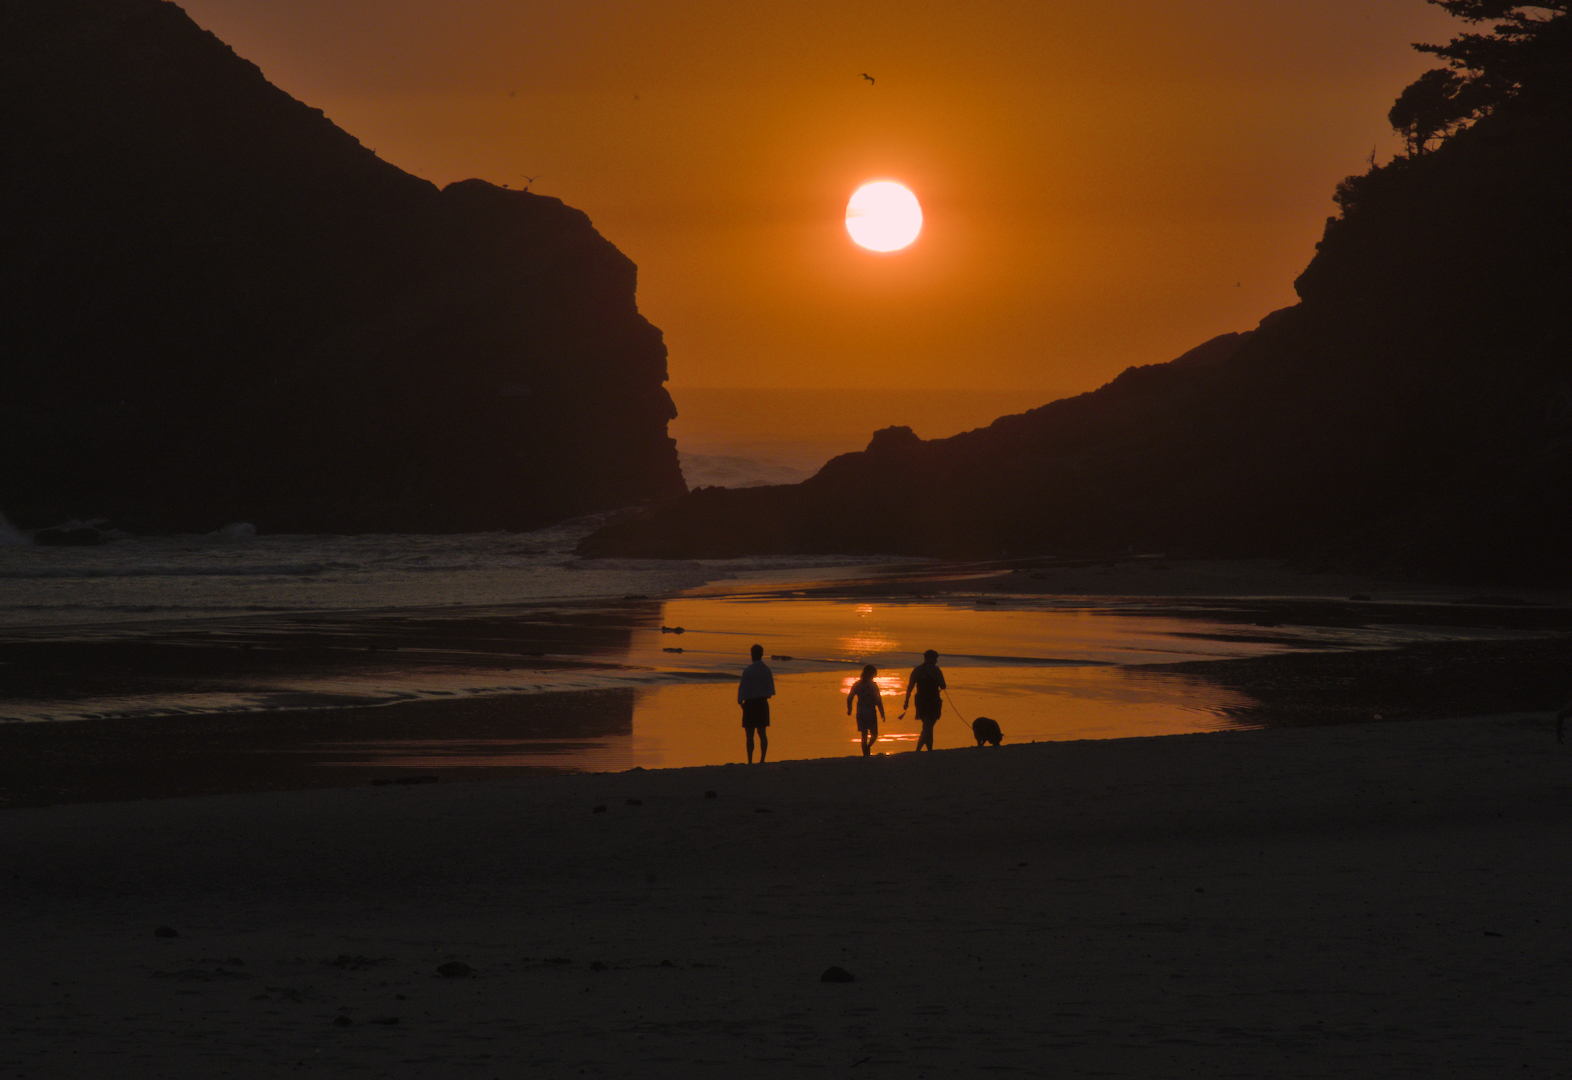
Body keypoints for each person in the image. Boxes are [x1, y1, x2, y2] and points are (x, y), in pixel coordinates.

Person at [902, 649, 946, 752]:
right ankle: (918, 750)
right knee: (928, 726)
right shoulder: (936, 670)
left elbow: (910, 687)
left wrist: (906, 701)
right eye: (935, 659)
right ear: (930, 658)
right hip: (933, 700)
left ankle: (929, 750)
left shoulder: (917, 670)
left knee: (927, 725)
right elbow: (943, 685)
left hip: (920, 700)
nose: (936, 661)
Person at [737, 643, 775, 763]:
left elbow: (742, 690)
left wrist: (742, 703)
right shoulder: (766, 671)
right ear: (762, 655)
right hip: (762, 703)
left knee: (750, 735)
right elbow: (770, 692)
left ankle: (750, 760)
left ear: (752, 655)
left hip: (750, 704)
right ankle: (762, 759)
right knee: (762, 733)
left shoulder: (748, 671)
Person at [846, 664, 886, 756]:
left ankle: (865, 754)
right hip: (870, 711)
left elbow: (850, 697)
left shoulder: (857, 684)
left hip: (860, 711)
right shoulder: (873, 685)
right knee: (874, 734)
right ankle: (868, 747)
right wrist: (882, 712)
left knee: (864, 735)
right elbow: (878, 700)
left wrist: (850, 709)